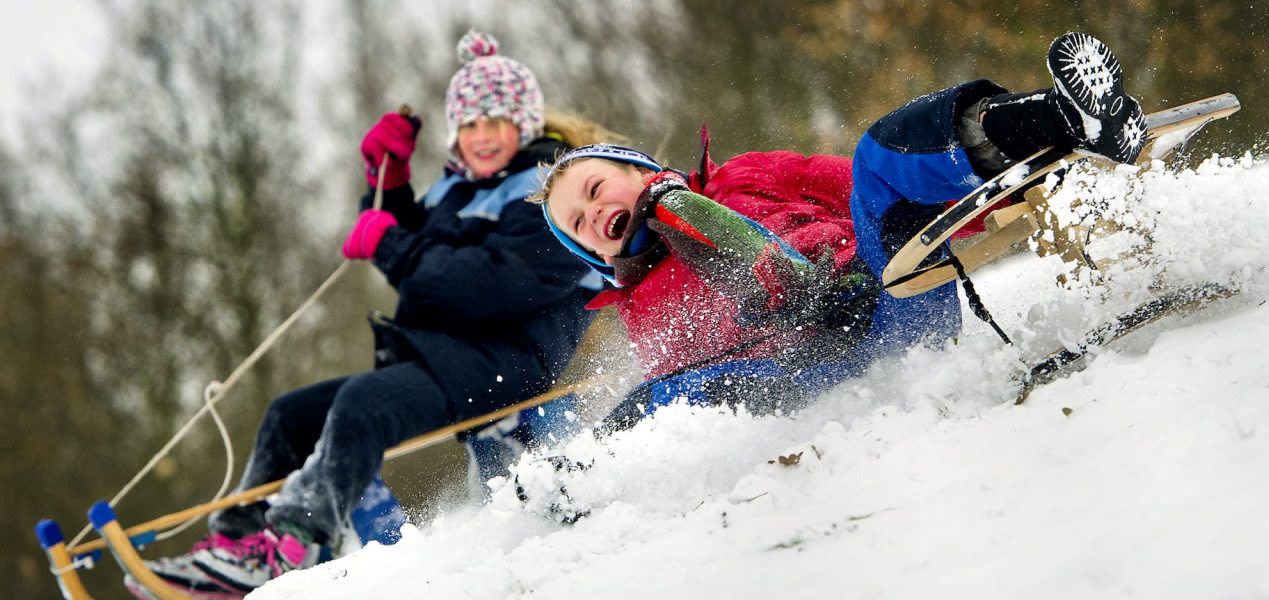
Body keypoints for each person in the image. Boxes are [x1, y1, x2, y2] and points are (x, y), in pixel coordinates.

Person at [133, 31, 609, 598]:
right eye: (470, 124)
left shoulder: (545, 190)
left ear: (524, 124)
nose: (483, 136)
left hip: (507, 362)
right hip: (448, 356)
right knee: (290, 416)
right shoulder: (461, 189)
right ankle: (235, 550)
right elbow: (408, 242)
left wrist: (391, 244)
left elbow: (486, 284)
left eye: (497, 122)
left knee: (364, 406)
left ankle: (295, 541)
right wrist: (390, 181)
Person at [529, 32, 1147, 430]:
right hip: (837, 370)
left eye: (592, 188)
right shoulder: (644, 309)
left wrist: (994, 201)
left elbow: (872, 189)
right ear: (591, 251)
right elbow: (707, 381)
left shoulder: (749, 173)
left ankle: (1063, 119)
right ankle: (1065, 125)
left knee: (879, 152)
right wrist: (797, 318)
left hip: (890, 293)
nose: (592, 214)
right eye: (577, 226)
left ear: (639, 168)